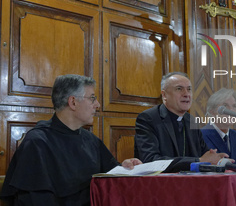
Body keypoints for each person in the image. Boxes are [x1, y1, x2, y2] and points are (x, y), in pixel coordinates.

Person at [0, 74, 141, 206]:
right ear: (73, 102)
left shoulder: (90, 139)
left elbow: (110, 176)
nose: (97, 104)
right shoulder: (37, 143)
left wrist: (125, 166)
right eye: (92, 98)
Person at [134, 72, 229, 172]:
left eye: (189, 89)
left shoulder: (191, 120)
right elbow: (150, 160)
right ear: (164, 95)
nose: (186, 94)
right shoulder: (148, 118)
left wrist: (219, 160)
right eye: (179, 89)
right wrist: (198, 161)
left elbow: (204, 154)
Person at [201, 88, 236, 165]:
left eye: (234, 106)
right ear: (212, 112)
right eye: (225, 106)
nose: (231, 110)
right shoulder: (201, 135)